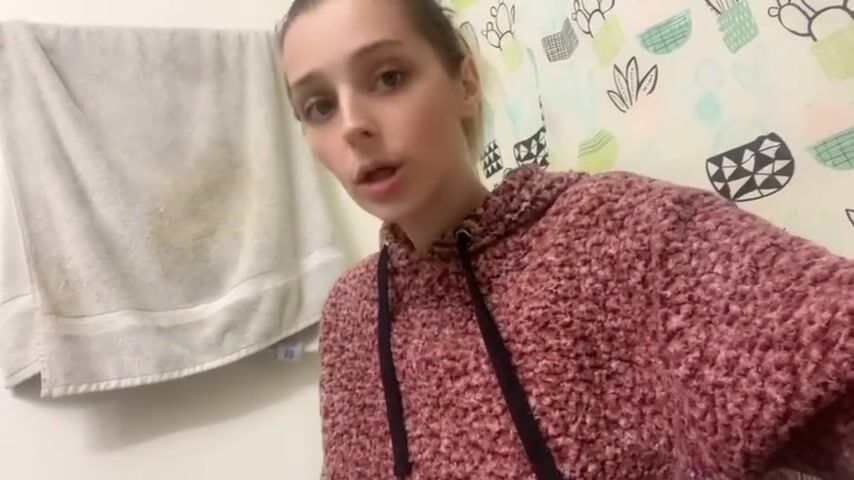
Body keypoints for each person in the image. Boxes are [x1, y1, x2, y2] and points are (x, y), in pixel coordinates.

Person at [278, 0, 854, 478]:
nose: (352, 124)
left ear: (466, 83)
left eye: (389, 77)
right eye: (319, 106)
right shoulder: (351, 313)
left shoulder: (624, 231)